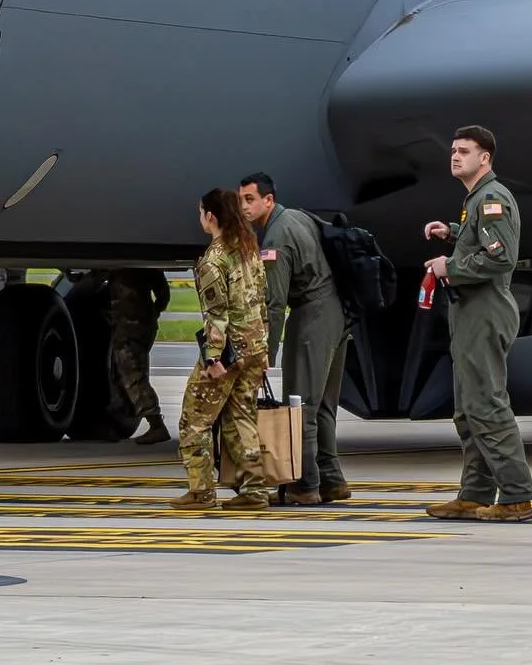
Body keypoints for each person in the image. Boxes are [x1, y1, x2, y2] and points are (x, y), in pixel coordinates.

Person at [421, 125, 532, 522]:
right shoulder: (475, 199)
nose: (455, 156)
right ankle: (474, 493)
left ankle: (517, 496)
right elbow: (483, 245)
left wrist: (448, 266)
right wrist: (452, 233)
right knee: (468, 409)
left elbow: (502, 258)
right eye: (453, 150)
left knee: (486, 404)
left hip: (485, 311)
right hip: (471, 311)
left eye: (464, 151)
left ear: (484, 158)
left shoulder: (491, 198)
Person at [238, 173, 350, 506]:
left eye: (249, 199)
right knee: (324, 406)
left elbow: (273, 304)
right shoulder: (298, 216)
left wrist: (264, 353)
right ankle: (332, 481)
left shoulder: (275, 238)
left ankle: (305, 485)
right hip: (337, 314)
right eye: (240, 200)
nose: (244, 207)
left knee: (299, 406)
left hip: (312, 316)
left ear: (268, 200)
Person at [173, 188, 271, 512]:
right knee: (241, 417)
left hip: (229, 352)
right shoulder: (248, 249)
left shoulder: (213, 259)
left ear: (210, 216)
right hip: (254, 347)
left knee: (194, 420)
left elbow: (217, 316)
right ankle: (254, 490)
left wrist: (213, 358)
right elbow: (261, 302)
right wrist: (265, 348)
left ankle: (201, 491)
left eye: (201, 212)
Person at [103, 269, 171, 445]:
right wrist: (153, 313)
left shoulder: (118, 266)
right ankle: (117, 422)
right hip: (137, 326)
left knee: (132, 375)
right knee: (122, 375)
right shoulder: (146, 267)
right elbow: (163, 294)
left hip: (130, 329)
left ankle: (156, 423)